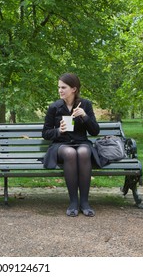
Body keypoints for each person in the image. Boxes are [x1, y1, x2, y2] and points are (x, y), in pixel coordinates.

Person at [42, 73, 105, 217]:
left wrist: (85, 116)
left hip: (81, 143)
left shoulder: (85, 105)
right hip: (61, 145)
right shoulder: (54, 107)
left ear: (74, 89)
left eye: (63, 87)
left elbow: (95, 131)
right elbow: (45, 133)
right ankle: (73, 202)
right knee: (70, 153)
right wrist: (58, 131)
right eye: (59, 87)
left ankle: (84, 202)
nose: (60, 90)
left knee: (83, 152)